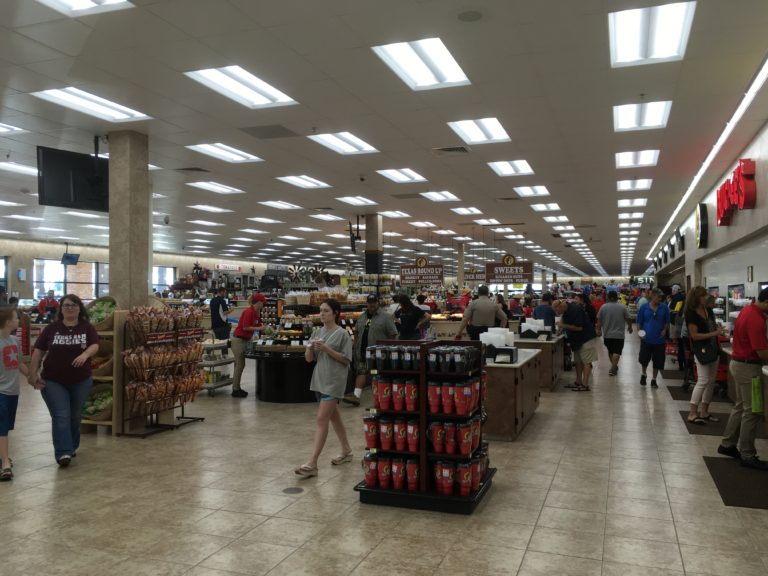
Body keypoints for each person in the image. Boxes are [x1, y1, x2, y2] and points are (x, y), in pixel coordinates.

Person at [28, 295, 99, 466]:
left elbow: (95, 345)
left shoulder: (87, 328)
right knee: (61, 415)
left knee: (74, 416)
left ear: (80, 308)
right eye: (66, 305)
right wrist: (32, 374)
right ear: (60, 309)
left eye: (74, 305)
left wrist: (85, 354)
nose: (70, 308)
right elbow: (38, 351)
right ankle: (63, 452)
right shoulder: (52, 328)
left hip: (81, 380)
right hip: (53, 380)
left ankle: (71, 446)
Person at [295, 299, 353, 477]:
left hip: (334, 381)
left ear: (335, 313)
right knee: (333, 417)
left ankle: (312, 463)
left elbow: (346, 360)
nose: (322, 314)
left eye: (326, 311)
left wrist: (327, 349)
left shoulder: (343, 334)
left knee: (321, 419)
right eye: (320, 311)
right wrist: (310, 348)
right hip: (319, 380)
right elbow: (309, 359)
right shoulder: (317, 331)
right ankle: (346, 450)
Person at [717, 287, 768, 470]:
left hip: (740, 364)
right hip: (748, 367)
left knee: (740, 406)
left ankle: (728, 444)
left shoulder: (748, 311)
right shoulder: (756, 319)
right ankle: (747, 454)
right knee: (752, 411)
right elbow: (762, 352)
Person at [343, 294, 398, 407]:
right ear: (367, 303)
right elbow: (357, 331)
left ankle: (384, 398)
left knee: (379, 375)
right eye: (369, 302)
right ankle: (356, 396)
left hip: (379, 353)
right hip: (363, 350)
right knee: (361, 372)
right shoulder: (362, 316)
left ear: (378, 303)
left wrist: (388, 349)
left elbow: (393, 334)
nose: (371, 305)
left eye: (374, 302)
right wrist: (356, 345)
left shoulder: (386, 317)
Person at [684, 286, 724, 424]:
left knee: (711, 382)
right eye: (703, 295)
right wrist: (714, 333)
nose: (706, 297)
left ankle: (704, 411)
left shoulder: (708, 310)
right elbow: (694, 336)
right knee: (703, 380)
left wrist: (718, 330)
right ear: (697, 297)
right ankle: (692, 412)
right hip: (701, 350)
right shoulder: (691, 313)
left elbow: (712, 328)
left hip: (713, 349)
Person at [0, 308, 28, 480]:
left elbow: (18, 363)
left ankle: (3, 457)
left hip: (13, 391)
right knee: (2, 427)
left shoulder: (13, 340)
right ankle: (5, 464)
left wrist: (32, 378)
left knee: (6, 427)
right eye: (16, 318)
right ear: (7, 321)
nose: (19, 320)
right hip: (1, 392)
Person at [552, 298, 597, 392]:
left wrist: (563, 326)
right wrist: (560, 330)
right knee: (577, 361)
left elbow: (579, 328)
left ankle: (585, 384)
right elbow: (564, 323)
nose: (556, 313)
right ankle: (578, 381)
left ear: (560, 306)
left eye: (556, 310)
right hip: (576, 340)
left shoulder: (575, 310)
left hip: (586, 338)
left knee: (586, 362)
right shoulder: (565, 311)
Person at [230, 293, 266, 398]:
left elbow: (257, 324)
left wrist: (262, 326)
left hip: (244, 340)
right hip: (238, 341)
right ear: (258, 302)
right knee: (239, 365)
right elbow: (245, 327)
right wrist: (259, 329)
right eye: (262, 303)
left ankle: (237, 388)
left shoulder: (255, 312)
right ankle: (235, 390)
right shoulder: (249, 312)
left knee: (241, 365)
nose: (263, 304)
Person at [636, 288, 670, 388]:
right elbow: (639, 322)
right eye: (658, 297)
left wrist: (664, 330)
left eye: (661, 297)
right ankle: (644, 374)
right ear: (653, 296)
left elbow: (667, 322)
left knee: (658, 361)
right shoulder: (644, 307)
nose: (660, 299)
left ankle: (654, 379)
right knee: (644, 359)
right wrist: (640, 333)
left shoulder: (664, 308)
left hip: (659, 340)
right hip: (646, 339)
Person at [595, 291, 632, 376]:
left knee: (611, 351)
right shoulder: (622, 307)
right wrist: (630, 327)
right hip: (619, 335)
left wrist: (598, 329)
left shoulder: (603, 307)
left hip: (607, 334)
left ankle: (614, 366)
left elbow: (599, 320)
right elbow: (628, 318)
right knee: (617, 352)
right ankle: (613, 368)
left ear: (609, 297)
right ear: (616, 297)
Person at [669, 285, 686, 369]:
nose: (672, 291)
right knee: (682, 345)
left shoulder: (677, 298)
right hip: (680, 324)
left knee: (679, 344)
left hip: (677, 323)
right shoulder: (682, 297)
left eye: (672, 290)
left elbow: (675, 310)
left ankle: (681, 364)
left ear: (675, 290)